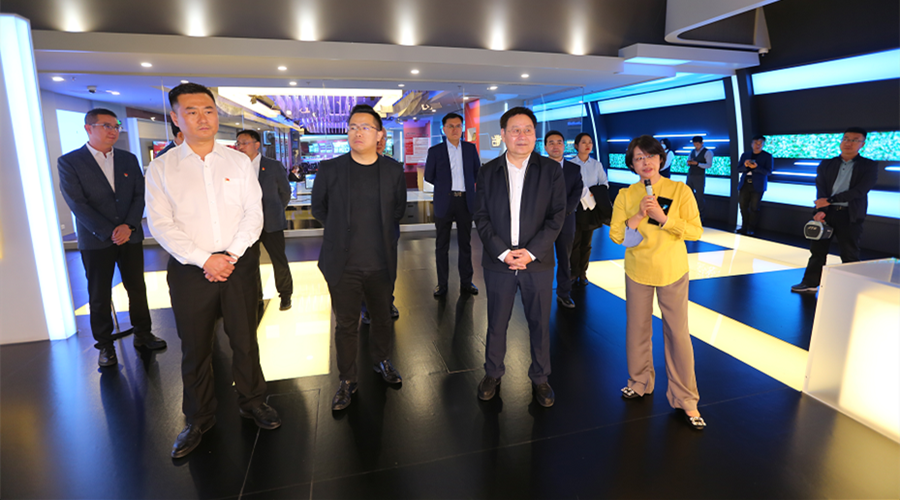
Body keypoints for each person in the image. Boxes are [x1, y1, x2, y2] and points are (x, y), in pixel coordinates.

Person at [146, 83, 280, 459]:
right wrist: (205, 259)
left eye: (208, 110)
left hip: (238, 264)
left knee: (245, 339)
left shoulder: (237, 162)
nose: (202, 118)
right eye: (191, 111)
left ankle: (253, 401)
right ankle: (198, 417)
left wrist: (231, 255)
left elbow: (254, 213)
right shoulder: (161, 168)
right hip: (191, 270)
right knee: (195, 347)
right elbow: (161, 224)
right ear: (176, 118)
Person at [311, 104, 407, 411]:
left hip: (381, 262)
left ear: (379, 134)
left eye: (365, 127)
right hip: (343, 265)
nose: (358, 132)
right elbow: (319, 208)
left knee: (382, 318)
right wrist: (340, 232)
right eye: (353, 127)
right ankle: (347, 379)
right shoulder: (330, 169)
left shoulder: (393, 170)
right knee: (346, 325)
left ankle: (382, 361)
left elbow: (397, 210)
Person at [609, 134, 706, 430]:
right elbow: (616, 235)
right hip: (638, 269)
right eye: (638, 158)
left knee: (678, 334)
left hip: (672, 270)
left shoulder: (680, 190)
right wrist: (639, 214)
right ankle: (639, 382)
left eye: (650, 156)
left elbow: (695, 232)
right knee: (637, 329)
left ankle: (686, 398)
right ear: (632, 164)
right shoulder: (626, 195)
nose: (645, 162)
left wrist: (664, 219)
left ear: (661, 159)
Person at [57, 108, 167, 368]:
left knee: (137, 287)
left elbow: (139, 195)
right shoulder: (70, 162)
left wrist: (129, 226)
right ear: (88, 128)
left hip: (130, 236)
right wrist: (109, 231)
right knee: (99, 293)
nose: (113, 131)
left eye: (116, 126)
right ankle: (105, 344)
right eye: (106, 126)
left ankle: (143, 333)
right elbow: (77, 203)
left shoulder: (128, 159)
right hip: (96, 240)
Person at [474, 107, 566, 407]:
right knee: (496, 321)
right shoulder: (488, 171)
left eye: (528, 130)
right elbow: (481, 216)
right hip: (498, 262)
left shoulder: (550, 171)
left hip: (537, 262)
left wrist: (530, 252)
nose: (522, 136)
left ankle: (541, 377)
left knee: (539, 322)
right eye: (515, 130)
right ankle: (492, 373)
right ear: (503, 135)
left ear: (535, 134)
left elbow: (557, 216)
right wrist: (503, 253)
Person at [791, 127, 878, 294]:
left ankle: (851, 286)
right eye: (846, 139)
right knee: (817, 251)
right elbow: (821, 187)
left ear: (862, 144)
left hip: (850, 214)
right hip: (827, 213)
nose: (848, 143)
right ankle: (810, 282)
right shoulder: (827, 163)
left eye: (854, 140)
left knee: (849, 253)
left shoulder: (869, 165)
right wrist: (820, 209)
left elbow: (860, 191)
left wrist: (830, 200)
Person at [235, 129, 294, 312]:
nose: (240, 147)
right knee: (250, 263)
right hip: (246, 224)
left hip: (272, 223)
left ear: (257, 145)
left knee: (279, 260)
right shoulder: (235, 167)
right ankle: (256, 297)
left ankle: (285, 295)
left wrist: (274, 210)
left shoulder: (273, 166)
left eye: (245, 143)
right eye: (238, 143)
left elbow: (285, 192)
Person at [424, 112, 481, 297]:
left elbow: (477, 172)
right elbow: (428, 175)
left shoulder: (470, 149)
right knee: (442, 245)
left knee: (466, 244)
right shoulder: (435, 151)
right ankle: (442, 284)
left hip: (465, 201)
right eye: (451, 126)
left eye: (458, 126)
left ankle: (466, 282)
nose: (455, 130)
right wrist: (443, 187)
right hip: (444, 201)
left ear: (462, 128)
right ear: (444, 129)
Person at [360, 134, 401, 324]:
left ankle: (387, 303)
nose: (380, 142)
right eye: (376, 138)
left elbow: (400, 201)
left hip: (387, 229)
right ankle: (367, 308)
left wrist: (390, 220)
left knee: (388, 269)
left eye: (383, 138)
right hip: (361, 231)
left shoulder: (393, 166)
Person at [543, 130, 583, 309]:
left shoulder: (574, 169)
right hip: (542, 221)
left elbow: (577, 192)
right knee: (541, 259)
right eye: (551, 143)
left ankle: (564, 293)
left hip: (566, 220)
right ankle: (540, 292)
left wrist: (563, 212)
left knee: (564, 259)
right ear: (545, 147)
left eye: (559, 142)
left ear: (564, 146)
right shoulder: (538, 168)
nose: (555, 146)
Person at [569, 132, 609, 287]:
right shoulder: (570, 164)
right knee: (575, 242)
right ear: (576, 145)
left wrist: (593, 192)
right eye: (584, 142)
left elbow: (604, 183)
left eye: (590, 142)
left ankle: (583, 272)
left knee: (587, 242)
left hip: (591, 206)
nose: (588, 145)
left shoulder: (596, 165)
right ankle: (574, 271)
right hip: (575, 207)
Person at [736, 135, 773, 235]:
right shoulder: (745, 155)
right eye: (756, 143)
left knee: (754, 208)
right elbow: (738, 169)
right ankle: (744, 226)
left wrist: (756, 167)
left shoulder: (767, 156)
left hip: (758, 185)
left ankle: (751, 228)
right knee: (743, 206)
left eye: (760, 143)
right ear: (752, 144)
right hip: (745, 183)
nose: (758, 145)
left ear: (763, 144)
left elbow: (768, 172)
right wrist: (745, 166)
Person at [686, 136, 713, 221]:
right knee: (688, 194)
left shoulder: (708, 152)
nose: (696, 146)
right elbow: (687, 162)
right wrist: (689, 163)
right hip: (690, 175)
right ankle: (688, 214)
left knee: (699, 196)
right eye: (694, 144)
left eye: (697, 144)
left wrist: (697, 164)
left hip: (699, 176)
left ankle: (701, 216)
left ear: (702, 143)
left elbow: (709, 165)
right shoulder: (692, 151)